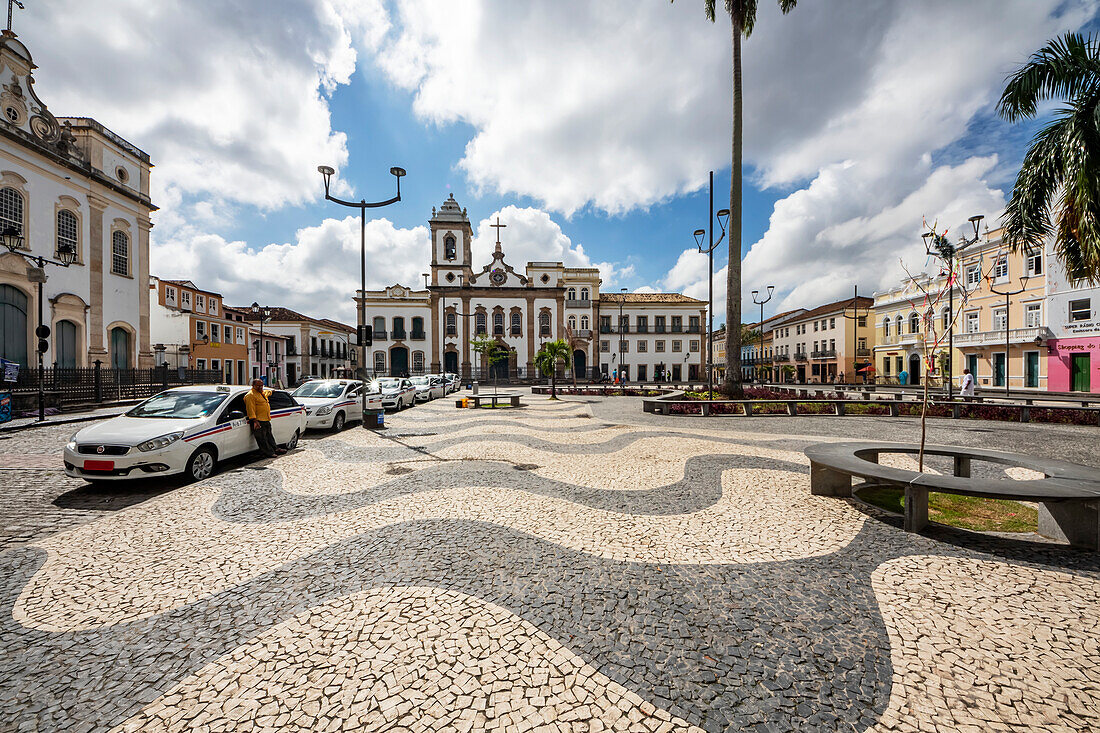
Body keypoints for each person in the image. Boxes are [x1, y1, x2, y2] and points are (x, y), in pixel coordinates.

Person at [244, 379, 284, 457]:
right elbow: (250, 409)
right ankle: (268, 453)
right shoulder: (250, 395)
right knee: (262, 438)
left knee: (269, 435)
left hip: (266, 419)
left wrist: (273, 390)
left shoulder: (262, 393)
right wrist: (255, 421)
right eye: (258, 386)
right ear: (253, 386)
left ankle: (275, 448)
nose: (260, 387)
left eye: (261, 385)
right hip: (258, 420)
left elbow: (268, 392)